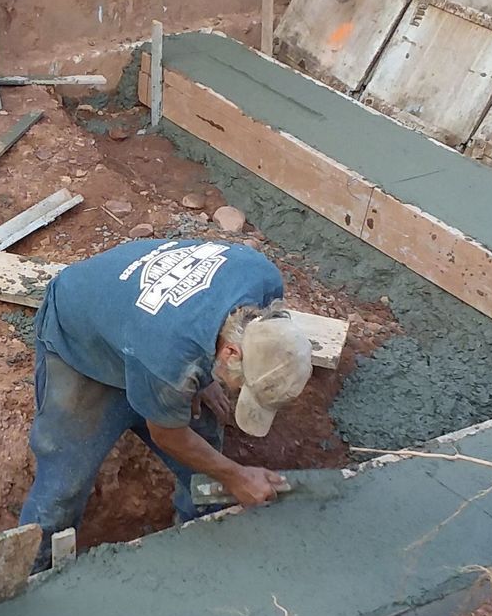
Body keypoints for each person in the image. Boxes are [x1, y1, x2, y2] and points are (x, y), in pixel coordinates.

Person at [19, 236, 314, 553]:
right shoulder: (169, 357)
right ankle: (37, 569)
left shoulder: (265, 283)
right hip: (82, 340)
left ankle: (198, 537)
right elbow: (168, 436)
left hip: (146, 333)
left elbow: (195, 315)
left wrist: (204, 379)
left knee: (206, 434)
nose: (235, 388)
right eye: (241, 383)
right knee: (64, 484)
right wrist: (237, 476)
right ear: (230, 352)